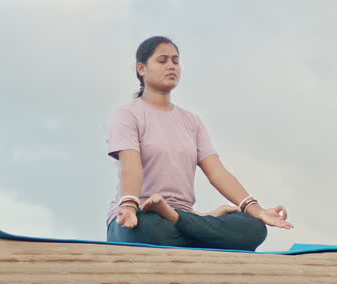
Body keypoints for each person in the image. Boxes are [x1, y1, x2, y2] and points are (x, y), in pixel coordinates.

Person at [105, 36, 294, 251]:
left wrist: (257, 210)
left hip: (182, 216)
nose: (171, 66)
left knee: (253, 228)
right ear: (142, 68)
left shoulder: (192, 122)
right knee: (148, 230)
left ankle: (177, 217)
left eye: (175, 61)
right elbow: (131, 167)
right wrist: (129, 205)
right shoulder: (127, 115)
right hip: (139, 217)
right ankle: (192, 224)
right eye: (162, 60)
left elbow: (218, 173)